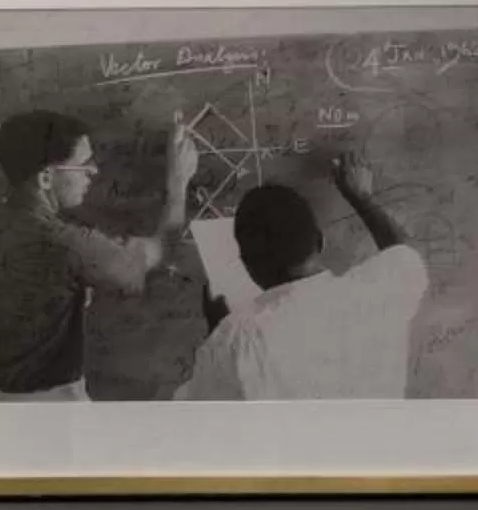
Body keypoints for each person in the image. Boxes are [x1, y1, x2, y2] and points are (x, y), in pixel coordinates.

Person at [0, 108, 198, 401]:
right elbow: (155, 253)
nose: (94, 171)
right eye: (83, 165)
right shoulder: (69, 245)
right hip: (49, 408)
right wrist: (178, 184)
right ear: (46, 178)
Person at [176, 152, 430, 400]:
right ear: (321, 240)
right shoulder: (377, 296)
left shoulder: (237, 341)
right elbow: (404, 254)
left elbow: (199, 409)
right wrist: (361, 195)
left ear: (247, 266)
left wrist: (215, 332)